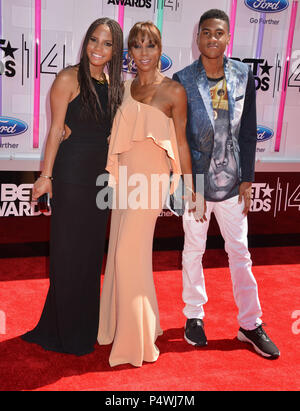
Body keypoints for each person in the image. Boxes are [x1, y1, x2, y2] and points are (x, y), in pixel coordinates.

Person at [173, 9, 280, 358]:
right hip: (198, 184)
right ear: (198, 38)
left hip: (234, 182)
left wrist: (248, 179)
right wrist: (192, 187)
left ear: (227, 37)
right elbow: (180, 138)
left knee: (241, 254)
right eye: (206, 33)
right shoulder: (182, 79)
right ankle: (194, 317)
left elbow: (248, 131)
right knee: (193, 251)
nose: (212, 39)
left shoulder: (242, 74)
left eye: (218, 33)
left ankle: (250, 324)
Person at [97, 21, 199, 367]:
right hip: (123, 178)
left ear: (160, 50)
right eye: (137, 46)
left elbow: (182, 141)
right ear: (130, 53)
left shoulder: (174, 91)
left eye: (150, 46)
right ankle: (129, 325)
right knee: (120, 254)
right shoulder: (124, 88)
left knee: (128, 254)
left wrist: (188, 185)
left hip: (151, 181)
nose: (143, 53)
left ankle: (135, 342)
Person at [21, 18, 124, 356]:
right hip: (70, 176)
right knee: (67, 255)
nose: (98, 48)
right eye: (93, 40)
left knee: (90, 256)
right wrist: (45, 175)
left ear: (115, 50)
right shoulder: (68, 78)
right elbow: (55, 131)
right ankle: (63, 331)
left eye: (107, 43)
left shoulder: (113, 84)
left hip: (100, 181)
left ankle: (82, 326)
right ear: (85, 42)